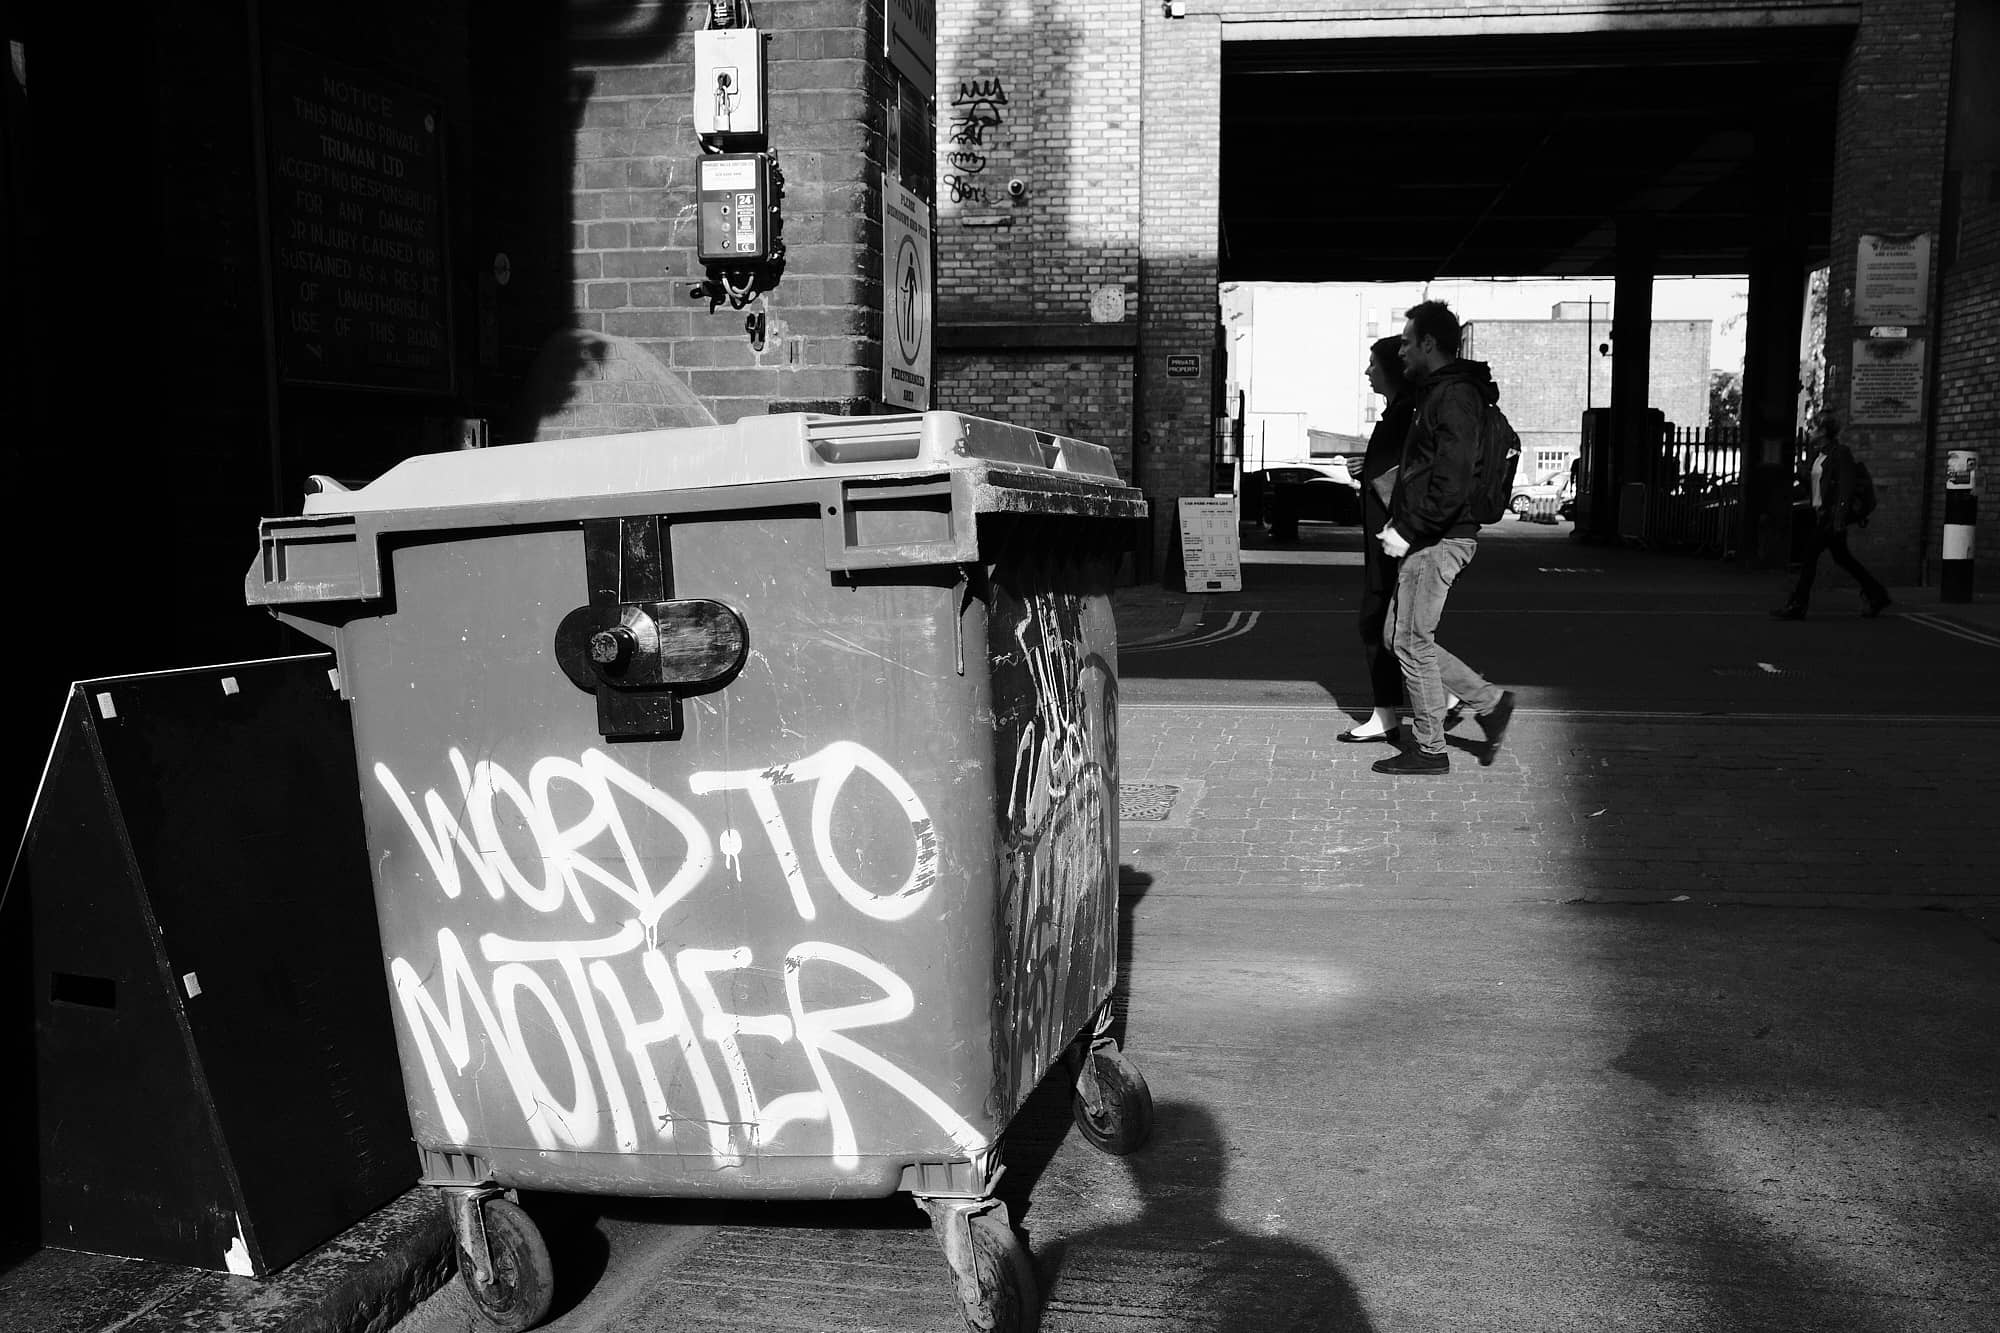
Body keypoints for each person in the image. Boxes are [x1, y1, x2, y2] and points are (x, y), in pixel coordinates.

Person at [1372, 300, 1516, 776]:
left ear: (1429, 343)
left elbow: (1450, 480)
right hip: (1431, 535)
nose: (1403, 351)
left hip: (1439, 538)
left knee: (1411, 641)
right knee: (1400, 637)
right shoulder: (1440, 391)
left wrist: (1407, 530)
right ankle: (1488, 703)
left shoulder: (1452, 396)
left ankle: (1430, 749)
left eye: (1408, 342)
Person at [1340, 336, 1419, 744]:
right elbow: (1389, 472)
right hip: (1385, 542)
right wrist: (1365, 468)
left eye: (1373, 364)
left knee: (1384, 627)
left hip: (1393, 543)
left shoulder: (1404, 415)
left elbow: (1406, 479)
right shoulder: (1395, 416)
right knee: (1387, 627)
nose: (1368, 371)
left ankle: (1465, 693)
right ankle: (1386, 712)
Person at [1772, 411, 1891, 619]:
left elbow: (1845, 487)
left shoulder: (1840, 453)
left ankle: (1798, 605)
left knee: (1809, 556)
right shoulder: (1818, 454)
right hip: (1822, 514)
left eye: (1813, 427)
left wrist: (1839, 520)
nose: (1809, 431)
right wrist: (1802, 474)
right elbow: (1818, 486)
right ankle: (1877, 593)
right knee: (1843, 558)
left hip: (1831, 517)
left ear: (1824, 431)